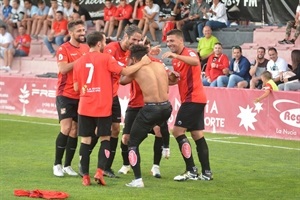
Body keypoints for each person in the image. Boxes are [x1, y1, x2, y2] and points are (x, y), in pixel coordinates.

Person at [73, 31, 151, 186]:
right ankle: (100, 171)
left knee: (86, 140)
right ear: (99, 44)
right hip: (102, 105)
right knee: (105, 139)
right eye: (104, 41)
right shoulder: (106, 58)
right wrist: (142, 62)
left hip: (85, 105)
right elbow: (126, 72)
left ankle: (85, 177)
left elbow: (76, 87)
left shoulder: (79, 62)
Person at [162, 29, 213, 181]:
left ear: (180, 41)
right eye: (168, 41)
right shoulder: (177, 60)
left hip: (193, 99)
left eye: (172, 41)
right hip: (193, 99)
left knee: (177, 131)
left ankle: (191, 170)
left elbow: (196, 61)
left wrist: (175, 55)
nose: (169, 43)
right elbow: (176, 81)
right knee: (197, 134)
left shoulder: (188, 53)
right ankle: (206, 173)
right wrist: (171, 76)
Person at [118, 38, 170, 178]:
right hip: (151, 105)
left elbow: (121, 79)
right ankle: (126, 164)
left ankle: (148, 171)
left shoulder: (144, 66)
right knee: (126, 138)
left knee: (135, 141)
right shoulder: (155, 65)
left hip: (149, 107)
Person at [102, 24, 143, 178]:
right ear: (126, 36)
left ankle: (107, 167)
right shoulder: (111, 48)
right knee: (97, 132)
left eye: (138, 41)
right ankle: (83, 162)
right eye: (134, 39)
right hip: (101, 95)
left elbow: (125, 77)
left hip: (113, 95)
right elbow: (118, 69)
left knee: (115, 129)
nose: (136, 43)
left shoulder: (130, 54)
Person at [52, 19, 90, 177]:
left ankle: (68, 165)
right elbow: (63, 68)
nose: (82, 33)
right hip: (65, 94)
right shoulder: (64, 48)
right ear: (71, 33)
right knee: (66, 128)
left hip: (80, 94)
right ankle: (57, 164)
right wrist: (81, 60)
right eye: (79, 31)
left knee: (75, 131)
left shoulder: (87, 47)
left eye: (83, 30)